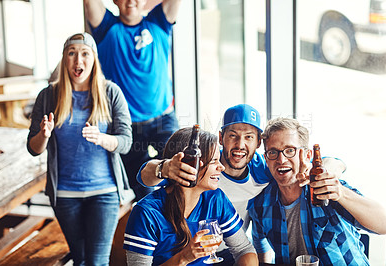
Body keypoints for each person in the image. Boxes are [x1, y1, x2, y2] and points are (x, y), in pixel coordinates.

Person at [137, 104, 345, 264]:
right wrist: (163, 168)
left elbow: (327, 160)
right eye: (233, 136)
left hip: (228, 251)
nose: (240, 145)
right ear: (221, 138)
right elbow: (144, 176)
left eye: (249, 137)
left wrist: (328, 169)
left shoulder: (266, 169)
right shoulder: (203, 165)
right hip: (176, 251)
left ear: (258, 143)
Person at [27, 33, 133, 265]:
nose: (78, 61)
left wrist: (103, 138)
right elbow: (33, 149)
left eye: (85, 54)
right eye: (72, 53)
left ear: (94, 59)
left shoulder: (111, 92)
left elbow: (126, 142)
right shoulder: (48, 96)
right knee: (81, 259)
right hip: (65, 195)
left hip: (104, 192)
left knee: (97, 262)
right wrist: (44, 135)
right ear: (64, 59)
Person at [248, 117, 386, 265]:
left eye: (290, 150)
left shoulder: (327, 187)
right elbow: (260, 246)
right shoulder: (260, 205)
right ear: (266, 159)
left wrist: (341, 193)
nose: (281, 159)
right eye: (273, 152)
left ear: (307, 155)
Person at [84, 0, 181, 202]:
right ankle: (152, 231)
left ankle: (178, 229)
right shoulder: (107, 28)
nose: (131, 1)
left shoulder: (159, 23)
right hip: (127, 126)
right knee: (142, 190)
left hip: (163, 120)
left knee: (181, 176)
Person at [123, 127, 258, 265]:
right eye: (214, 161)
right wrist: (185, 257)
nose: (221, 167)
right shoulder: (146, 213)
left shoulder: (215, 199)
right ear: (188, 164)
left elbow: (243, 249)